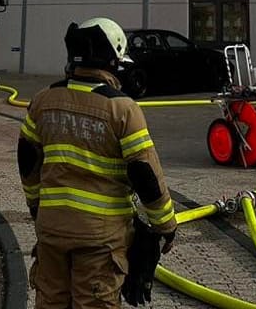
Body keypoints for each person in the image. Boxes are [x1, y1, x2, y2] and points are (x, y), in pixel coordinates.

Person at [18, 17, 177, 309]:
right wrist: (165, 224)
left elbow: (28, 161)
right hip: (99, 239)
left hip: (51, 230)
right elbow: (144, 173)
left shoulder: (43, 101)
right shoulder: (123, 109)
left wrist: (36, 206)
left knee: (50, 302)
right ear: (112, 62)